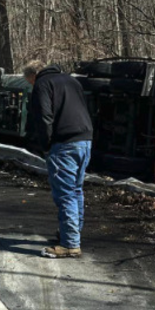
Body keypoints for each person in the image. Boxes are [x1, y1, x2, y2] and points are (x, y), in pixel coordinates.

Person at [23, 60, 94, 258]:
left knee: (65, 194)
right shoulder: (72, 81)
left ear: (33, 76)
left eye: (29, 82)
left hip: (64, 143)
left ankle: (70, 244)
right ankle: (72, 233)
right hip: (85, 140)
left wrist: (45, 145)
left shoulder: (42, 84)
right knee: (76, 189)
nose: (31, 85)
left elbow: (44, 117)